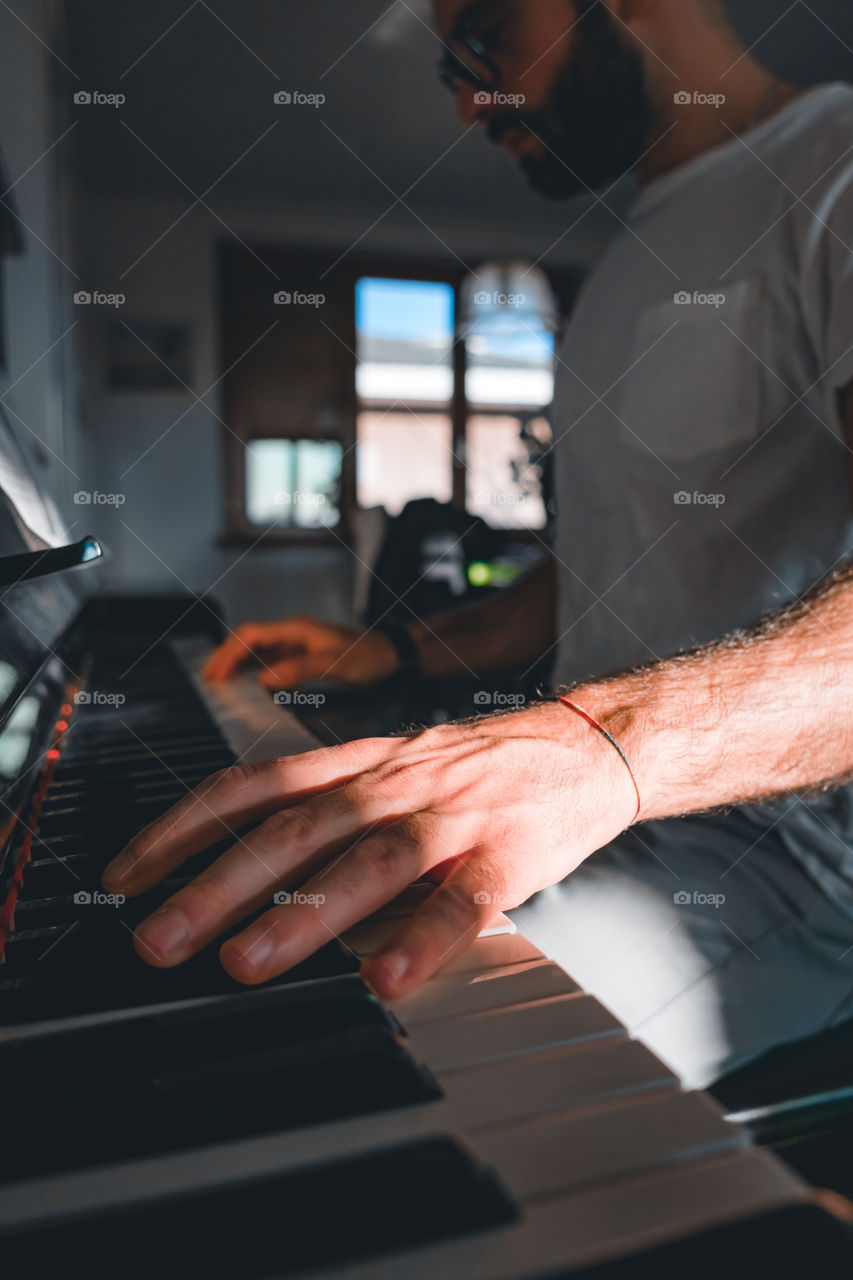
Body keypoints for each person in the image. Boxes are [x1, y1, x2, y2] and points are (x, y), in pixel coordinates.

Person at [103, 0, 853, 1088]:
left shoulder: (832, 175)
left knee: (359, 1052)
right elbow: (606, 568)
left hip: (785, 859)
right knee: (269, 935)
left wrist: (597, 745)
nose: (466, 100)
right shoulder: (634, 249)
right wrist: (394, 650)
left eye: (487, 34)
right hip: (600, 806)